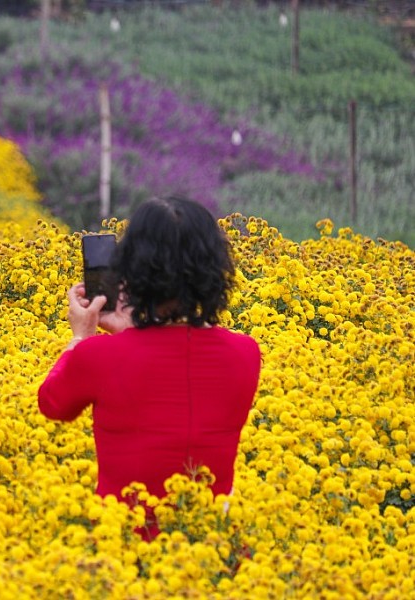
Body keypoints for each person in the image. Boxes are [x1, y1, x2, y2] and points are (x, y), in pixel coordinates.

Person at [37, 196, 260, 538]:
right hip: (213, 552)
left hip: (123, 551)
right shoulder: (245, 353)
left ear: (130, 270)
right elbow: (176, 364)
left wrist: (81, 336)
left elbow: (53, 404)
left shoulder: (99, 355)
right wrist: (131, 333)